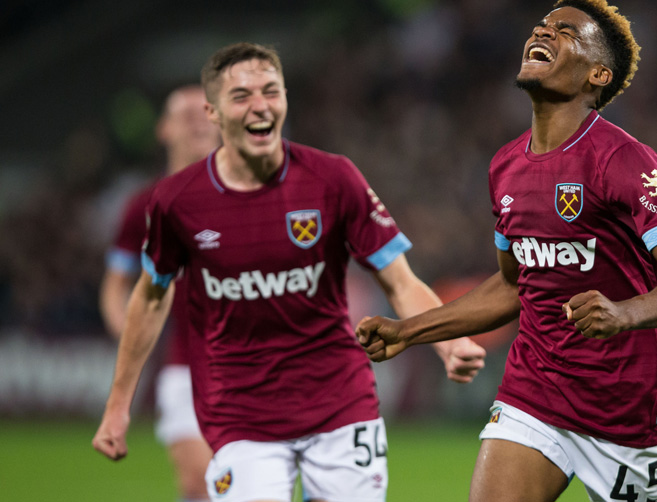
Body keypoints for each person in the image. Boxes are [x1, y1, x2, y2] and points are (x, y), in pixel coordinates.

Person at [357, 0, 657, 502]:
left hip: (629, 409)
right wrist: (408, 331)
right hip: (535, 392)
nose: (543, 32)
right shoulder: (506, 166)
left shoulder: (624, 159)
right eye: (543, 26)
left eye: (567, 32)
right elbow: (513, 285)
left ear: (598, 75)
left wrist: (624, 313)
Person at [92, 42, 487, 502]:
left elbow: (400, 281)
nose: (260, 105)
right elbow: (150, 297)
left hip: (341, 406)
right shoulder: (175, 201)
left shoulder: (333, 179)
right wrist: (118, 406)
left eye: (271, 91)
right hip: (240, 415)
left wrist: (447, 342)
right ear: (213, 112)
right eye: (241, 96)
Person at [99, 85, 220, 502]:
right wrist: (128, 334)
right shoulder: (143, 206)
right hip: (185, 364)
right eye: (185, 114)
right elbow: (116, 285)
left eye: (206, 112)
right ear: (164, 129)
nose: (198, 120)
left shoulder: (249, 195)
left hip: (252, 363)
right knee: (199, 483)